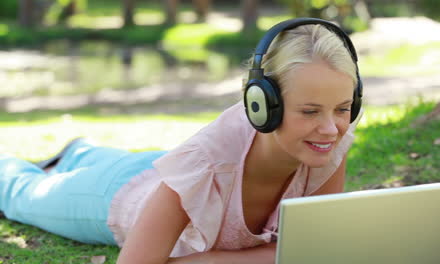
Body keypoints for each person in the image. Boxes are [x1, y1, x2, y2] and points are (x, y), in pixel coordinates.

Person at [0, 18, 363, 264]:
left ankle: (80, 152)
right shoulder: (206, 162)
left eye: (343, 108)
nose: (331, 129)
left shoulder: (326, 146)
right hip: (119, 193)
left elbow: (313, 252)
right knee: (19, 194)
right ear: (262, 106)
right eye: (310, 111)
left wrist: (209, 260)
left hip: (171, 170)